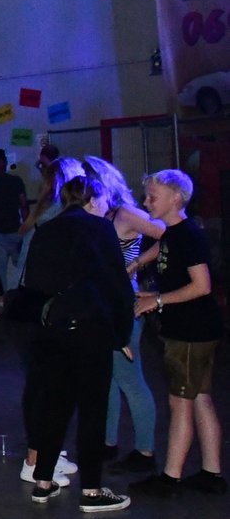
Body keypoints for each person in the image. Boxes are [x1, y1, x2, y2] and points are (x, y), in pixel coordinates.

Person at [16, 174, 134, 512]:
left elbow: (32, 284)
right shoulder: (100, 229)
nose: (108, 206)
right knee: (93, 410)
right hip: (89, 329)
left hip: (50, 330)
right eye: (105, 199)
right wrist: (121, 335)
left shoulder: (46, 229)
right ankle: (92, 491)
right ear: (93, 200)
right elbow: (116, 285)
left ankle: (43, 482)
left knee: (54, 406)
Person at [129, 169, 226, 497]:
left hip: (190, 331)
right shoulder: (175, 232)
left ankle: (170, 478)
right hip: (195, 329)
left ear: (175, 198)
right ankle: (211, 473)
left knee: (180, 402)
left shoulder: (187, 235)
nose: (146, 202)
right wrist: (138, 267)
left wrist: (157, 300)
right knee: (200, 398)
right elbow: (163, 250)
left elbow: (202, 286)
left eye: (152, 197)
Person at [81, 156, 164, 473]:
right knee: (109, 377)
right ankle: (108, 442)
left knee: (130, 379)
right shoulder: (98, 214)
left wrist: (137, 263)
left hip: (124, 304)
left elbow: (171, 234)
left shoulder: (125, 213)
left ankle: (145, 452)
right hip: (102, 305)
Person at [0, 148, 28, 302]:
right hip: (16, 230)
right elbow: (23, 205)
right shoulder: (15, 181)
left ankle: (2, 304)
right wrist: (26, 226)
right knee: (23, 267)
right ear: (3, 162)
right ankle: (24, 299)